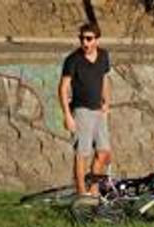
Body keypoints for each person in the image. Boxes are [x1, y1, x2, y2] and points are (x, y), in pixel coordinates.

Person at [59, 22, 112, 196]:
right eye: (82, 38)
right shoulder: (73, 60)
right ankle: (82, 193)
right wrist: (67, 115)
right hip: (81, 111)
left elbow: (104, 79)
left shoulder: (104, 56)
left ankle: (94, 187)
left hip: (99, 111)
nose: (85, 42)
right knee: (82, 153)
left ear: (97, 40)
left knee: (103, 152)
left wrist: (106, 102)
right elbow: (63, 88)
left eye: (89, 39)